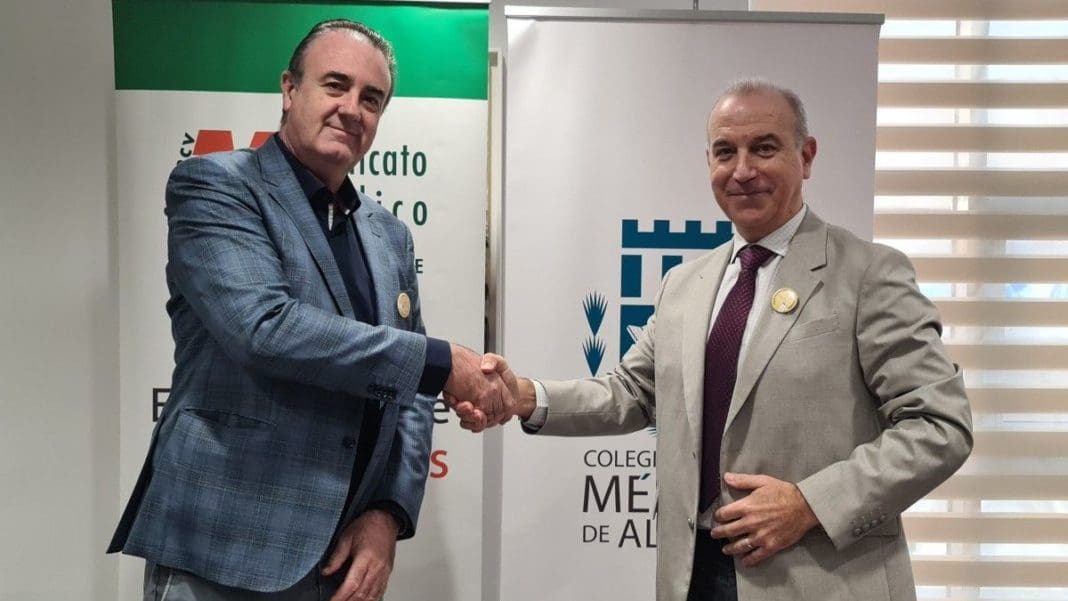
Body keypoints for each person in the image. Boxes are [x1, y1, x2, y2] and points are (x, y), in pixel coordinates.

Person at [456, 79, 973, 601]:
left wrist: (809, 504)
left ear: (806, 157)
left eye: (764, 148)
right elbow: (632, 392)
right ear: (709, 163)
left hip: (822, 581)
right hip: (693, 576)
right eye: (725, 152)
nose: (742, 170)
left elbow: (939, 426)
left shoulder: (870, 274)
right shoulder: (685, 285)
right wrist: (522, 396)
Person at [108, 19, 512, 601]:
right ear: (289, 88)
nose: (352, 109)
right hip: (222, 551)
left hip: (341, 563)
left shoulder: (389, 235)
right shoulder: (217, 187)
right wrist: (441, 362)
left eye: (371, 99)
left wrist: (387, 515)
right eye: (335, 85)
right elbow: (264, 329)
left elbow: (412, 394)